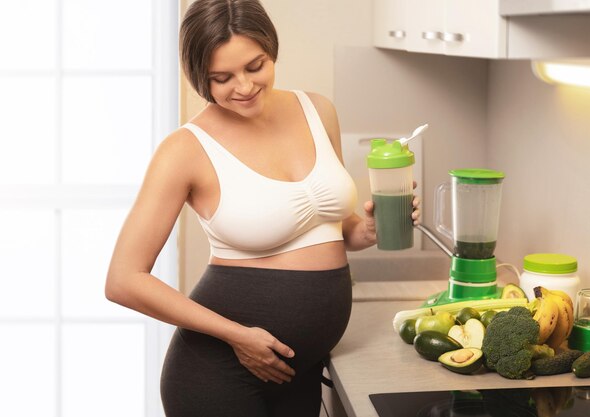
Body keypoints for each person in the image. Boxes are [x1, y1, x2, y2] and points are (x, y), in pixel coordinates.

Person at [105, 0, 420, 416]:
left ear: (271, 49)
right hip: (217, 374)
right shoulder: (185, 149)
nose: (244, 86)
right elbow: (123, 280)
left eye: (255, 66)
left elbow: (337, 229)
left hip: (296, 368)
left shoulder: (318, 110)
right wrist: (238, 336)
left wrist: (369, 230)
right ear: (201, 77)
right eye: (222, 77)